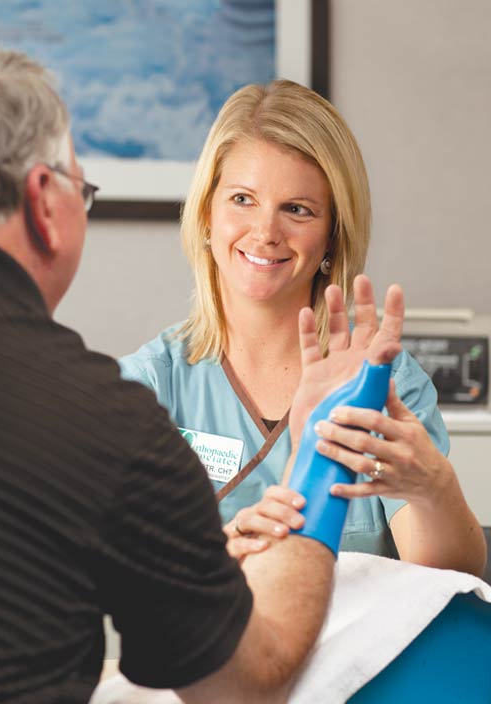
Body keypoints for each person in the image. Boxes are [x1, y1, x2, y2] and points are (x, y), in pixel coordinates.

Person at [0, 43, 407, 703]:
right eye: (80, 189)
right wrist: (317, 465)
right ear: (43, 202)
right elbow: (249, 681)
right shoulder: (105, 421)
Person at [120, 80, 487, 576]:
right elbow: (114, 570)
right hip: (211, 629)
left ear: (333, 234)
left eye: (297, 209)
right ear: (207, 212)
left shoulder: (382, 382)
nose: (265, 232)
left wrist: (432, 488)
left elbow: (446, 574)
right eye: (243, 199)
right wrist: (218, 554)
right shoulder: (148, 387)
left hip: (360, 631)